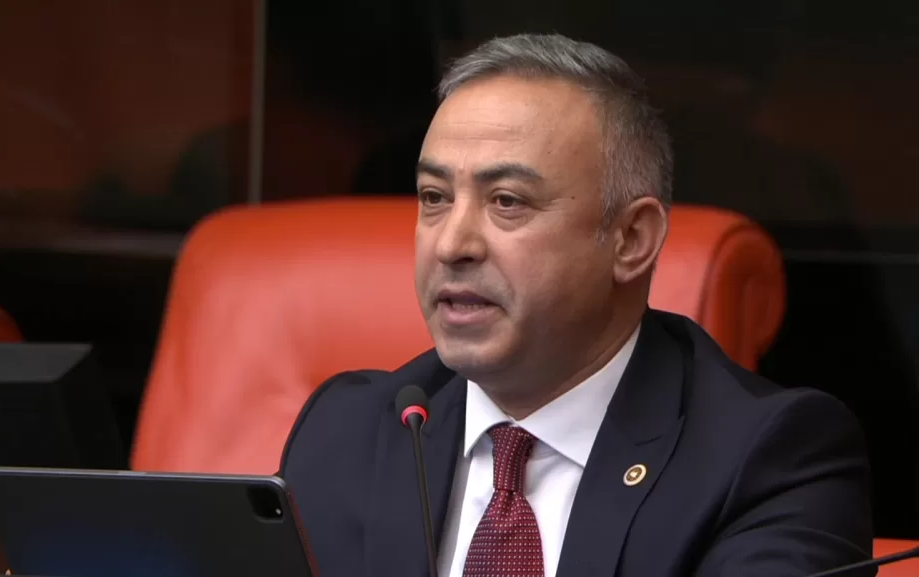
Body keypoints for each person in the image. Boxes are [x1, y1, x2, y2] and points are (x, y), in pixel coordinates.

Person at [279, 34, 872, 577]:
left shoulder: (769, 461)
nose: (451, 244)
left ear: (631, 239)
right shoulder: (348, 431)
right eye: (434, 197)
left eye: (507, 202)